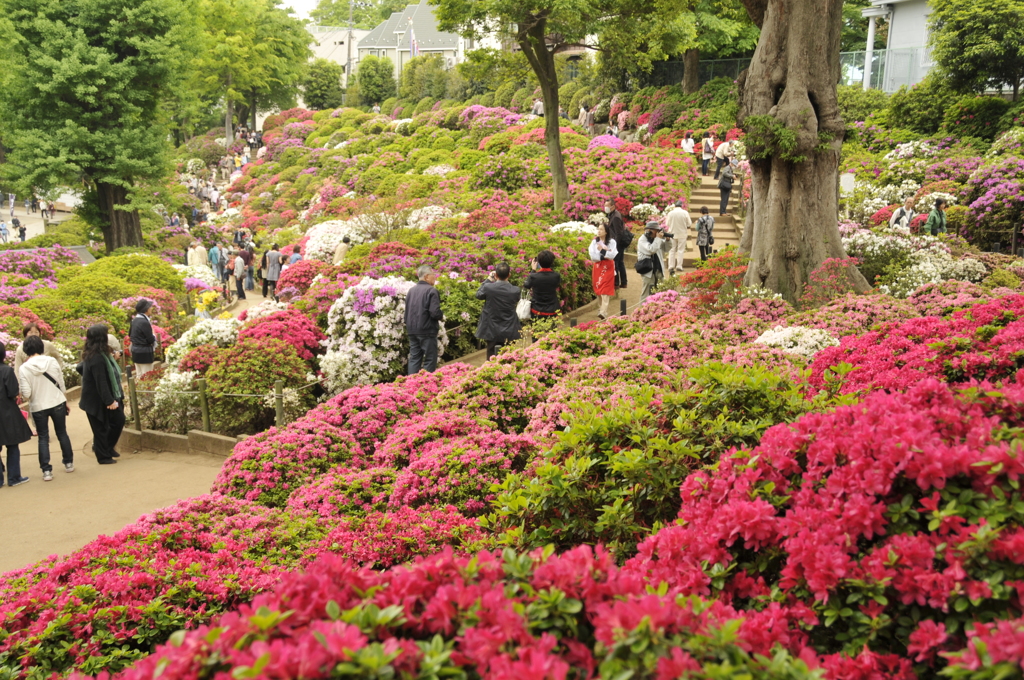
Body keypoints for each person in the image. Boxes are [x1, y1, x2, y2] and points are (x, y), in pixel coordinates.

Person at [18, 336, 73, 481]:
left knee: (43, 437)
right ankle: (68, 463)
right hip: (57, 402)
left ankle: (47, 471)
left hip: (38, 406)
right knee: (62, 433)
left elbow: (27, 394)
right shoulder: (52, 361)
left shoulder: (24, 368)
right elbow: (61, 383)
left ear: (26, 350)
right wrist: (64, 400)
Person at [78, 324, 124, 465]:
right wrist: (109, 401)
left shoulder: (101, 354)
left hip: (105, 396)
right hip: (95, 399)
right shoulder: (96, 357)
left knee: (118, 421)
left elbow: (80, 367)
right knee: (101, 428)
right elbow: (101, 382)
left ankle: (107, 448)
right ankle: (103, 455)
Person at [0, 340, 33, 487]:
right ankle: (14, 478)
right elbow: (13, 392)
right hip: (7, 413)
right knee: (12, 446)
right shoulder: (6, 370)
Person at [475, 263, 522, 359]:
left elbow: (478, 295)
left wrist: (488, 279)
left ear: (495, 275)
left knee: (491, 355)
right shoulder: (515, 290)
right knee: (508, 355)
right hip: (509, 327)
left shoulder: (488, 287)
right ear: (509, 275)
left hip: (491, 327)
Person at [405, 265, 444, 374]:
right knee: (430, 359)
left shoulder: (411, 291)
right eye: (433, 275)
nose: (435, 278)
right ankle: (425, 385)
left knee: (414, 358)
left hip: (412, 330)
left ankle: (411, 385)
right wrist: (441, 316)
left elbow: (407, 310)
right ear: (426, 276)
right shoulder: (432, 291)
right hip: (427, 330)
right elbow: (435, 313)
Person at [589, 223, 618, 319]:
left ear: (606, 231)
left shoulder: (612, 242)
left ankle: (603, 311)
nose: (599, 231)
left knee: (605, 288)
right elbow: (593, 256)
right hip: (598, 266)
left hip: (608, 266)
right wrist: (604, 254)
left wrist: (602, 251)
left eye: (601, 229)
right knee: (598, 289)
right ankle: (601, 308)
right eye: (598, 229)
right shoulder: (594, 242)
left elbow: (612, 255)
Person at [523, 250, 562, 319]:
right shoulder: (556, 276)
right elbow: (557, 284)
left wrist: (533, 270)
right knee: (552, 329)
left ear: (539, 262)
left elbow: (526, 285)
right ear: (552, 262)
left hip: (537, 310)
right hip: (552, 310)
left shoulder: (534, 276)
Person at [637, 222, 666, 302]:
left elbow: (666, 248)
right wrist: (658, 239)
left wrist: (667, 240)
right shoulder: (642, 240)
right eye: (655, 230)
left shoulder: (657, 239)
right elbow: (651, 250)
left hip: (658, 269)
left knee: (661, 292)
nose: (657, 233)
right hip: (647, 270)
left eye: (658, 230)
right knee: (646, 293)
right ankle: (641, 311)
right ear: (648, 230)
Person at [605, 199, 629, 289]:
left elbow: (618, 233)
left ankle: (616, 283)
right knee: (620, 263)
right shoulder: (613, 215)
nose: (606, 208)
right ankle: (623, 282)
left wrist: (615, 246)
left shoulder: (615, 217)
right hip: (617, 243)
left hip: (617, 244)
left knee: (616, 263)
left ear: (613, 206)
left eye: (607, 206)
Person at [129, 299, 157, 377]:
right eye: (150, 307)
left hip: (135, 351)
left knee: (139, 375)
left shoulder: (134, 320)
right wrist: (153, 335)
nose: (151, 309)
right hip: (144, 353)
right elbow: (150, 339)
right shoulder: (144, 322)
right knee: (147, 376)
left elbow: (130, 335)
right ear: (146, 309)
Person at [664, 200, 691, 275]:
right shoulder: (685, 213)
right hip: (682, 233)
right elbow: (689, 223)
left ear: (675, 206)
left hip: (672, 233)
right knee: (680, 250)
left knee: (672, 250)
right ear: (681, 205)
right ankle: (679, 266)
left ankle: (671, 266)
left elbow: (667, 223)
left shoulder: (670, 213)